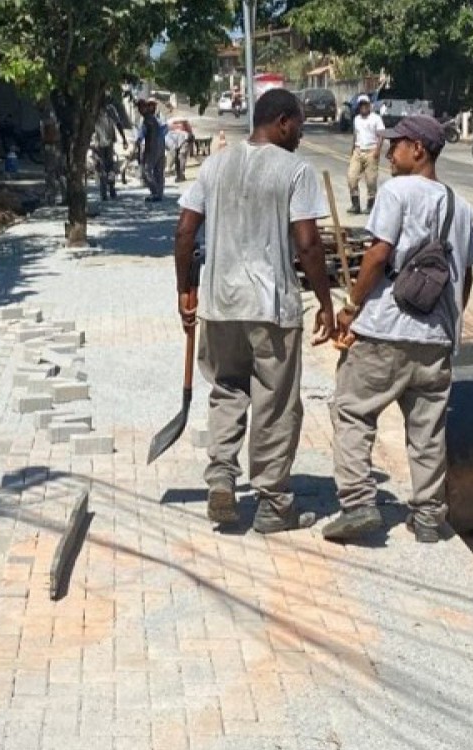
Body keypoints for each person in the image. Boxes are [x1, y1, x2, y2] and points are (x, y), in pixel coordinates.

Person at [173, 89, 337, 534]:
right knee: (275, 402)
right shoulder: (295, 170)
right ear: (282, 121)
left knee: (227, 389)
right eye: (299, 125)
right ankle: (272, 504)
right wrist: (325, 303)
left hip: (220, 305)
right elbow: (307, 244)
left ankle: (222, 476)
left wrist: (185, 290)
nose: (301, 136)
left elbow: (185, 231)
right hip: (272, 307)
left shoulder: (214, 164)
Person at [323, 114, 473, 545]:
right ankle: (429, 516)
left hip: (385, 331)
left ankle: (357, 504)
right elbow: (464, 276)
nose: (390, 153)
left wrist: (351, 306)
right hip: (436, 342)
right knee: (427, 429)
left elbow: (378, 255)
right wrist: (449, 322)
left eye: (397, 145)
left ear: (420, 150)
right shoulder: (462, 207)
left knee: (353, 410)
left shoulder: (396, 192)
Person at [347, 95, 384, 215]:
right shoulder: (356, 119)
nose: (363, 107)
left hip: (371, 151)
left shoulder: (376, 118)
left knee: (371, 180)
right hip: (358, 151)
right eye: (361, 105)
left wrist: (378, 150)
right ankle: (355, 204)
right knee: (351, 177)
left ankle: (370, 205)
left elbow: (381, 135)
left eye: (365, 105)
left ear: (369, 105)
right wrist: (352, 149)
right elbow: (355, 134)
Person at [92, 99, 128, 200]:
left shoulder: (107, 109)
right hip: (102, 142)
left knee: (106, 166)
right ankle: (108, 189)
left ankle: (109, 189)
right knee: (107, 166)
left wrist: (124, 139)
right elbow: (118, 124)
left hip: (104, 142)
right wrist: (124, 139)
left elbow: (118, 124)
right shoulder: (102, 109)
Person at [138, 99, 166, 202]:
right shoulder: (153, 118)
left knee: (146, 171)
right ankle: (159, 194)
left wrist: (138, 141)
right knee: (158, 172)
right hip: (159, 146)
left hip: (153, 147)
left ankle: (156, 192)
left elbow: (141, 134)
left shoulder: (148, 119)